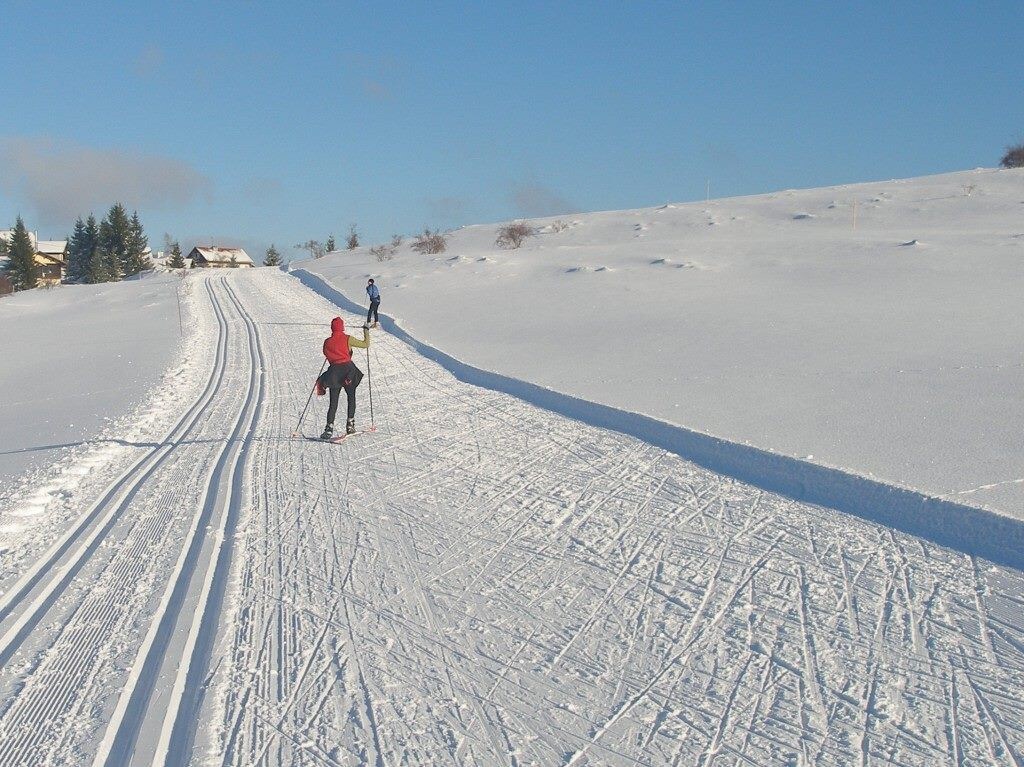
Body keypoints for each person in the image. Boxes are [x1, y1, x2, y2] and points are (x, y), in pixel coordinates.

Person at [316, 317, 370, 439]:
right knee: (351, 397)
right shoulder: (348, 339)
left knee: (333, 402)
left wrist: (335, 356)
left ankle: (329, 428)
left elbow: (326, 353)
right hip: (348, 372)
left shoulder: (327, 342)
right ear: (342, 327)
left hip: (334, 373)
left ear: (332, 328)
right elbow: (365, 344)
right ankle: (350, 425)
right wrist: (366, 330)